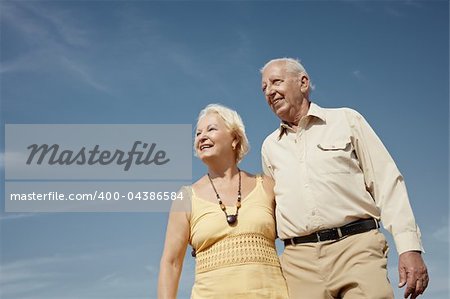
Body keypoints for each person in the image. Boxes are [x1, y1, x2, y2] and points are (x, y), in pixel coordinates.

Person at [260, 57, 429, 299]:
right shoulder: (269, 147)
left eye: (276, 82)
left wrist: (409, 246)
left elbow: (387, 182)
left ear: (303, 83)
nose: (270, 91)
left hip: (357, 248)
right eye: (264, 88)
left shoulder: (347, 120)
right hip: (299, 263)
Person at [158, 104, 289, 298]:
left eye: (211, 129)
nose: (201, 137)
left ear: (235, 139)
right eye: (198, 133)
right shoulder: (186, 198)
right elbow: (171, 264)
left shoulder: (267, 186)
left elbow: (296, 239)